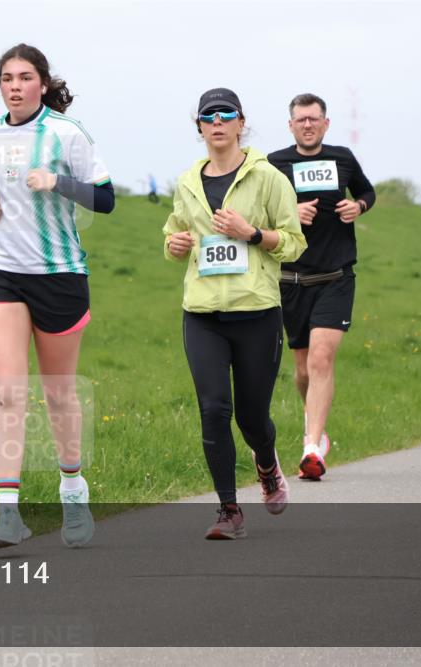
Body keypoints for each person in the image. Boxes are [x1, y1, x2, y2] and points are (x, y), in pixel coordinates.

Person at [0, 43, 115, 549]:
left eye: (25, 77)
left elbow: (106, 198)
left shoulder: (67, 134)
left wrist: (58, 182)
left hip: (58, 275)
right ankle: (8, 514)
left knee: (57, 393)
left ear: (43, 84)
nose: (15, 86)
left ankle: (72, 489)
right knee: (8, 392)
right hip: (0, 271)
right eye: (7, 78)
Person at [163, 88, 306, 539]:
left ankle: (267, 465)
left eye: (226, 114)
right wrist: (173, 244)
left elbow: (294, 243)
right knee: (213, 409)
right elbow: (174, 233)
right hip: (202, 313)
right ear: (199, 127)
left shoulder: (268, 178)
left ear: (241, 123)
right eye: (209, 116)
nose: (218, 122)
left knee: (252, 418)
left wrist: (253, 233)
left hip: (256, 313)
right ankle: (229, 510)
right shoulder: (187, 182)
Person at [267, 94, 376, 480]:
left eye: (314, 119)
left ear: (326, 124)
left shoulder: (342, 158)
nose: (308, 125)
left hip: (335, 277)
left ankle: (312, 447)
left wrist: (358, 207)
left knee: (321, 359)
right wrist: (288, 213)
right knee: (302, 369)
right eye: (301, 120)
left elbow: (367, 192)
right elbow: (258, 212)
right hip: (292, 280)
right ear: (291, 125)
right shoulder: (273, 164)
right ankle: (314, 422)